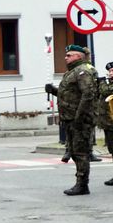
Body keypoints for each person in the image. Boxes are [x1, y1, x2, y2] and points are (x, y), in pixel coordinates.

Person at [45, 45, 97, 195]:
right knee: (74, 152)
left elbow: (87, 95)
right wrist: (53, 91)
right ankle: (80, 183)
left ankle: (82, 185)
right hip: (70, 118)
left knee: (80, 153)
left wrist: (79, 118)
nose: (65, 57)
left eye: (69, 55)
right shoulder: (71, 72)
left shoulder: (83, 71)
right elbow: (68, 95)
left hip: (79, 120)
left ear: (78, 57)